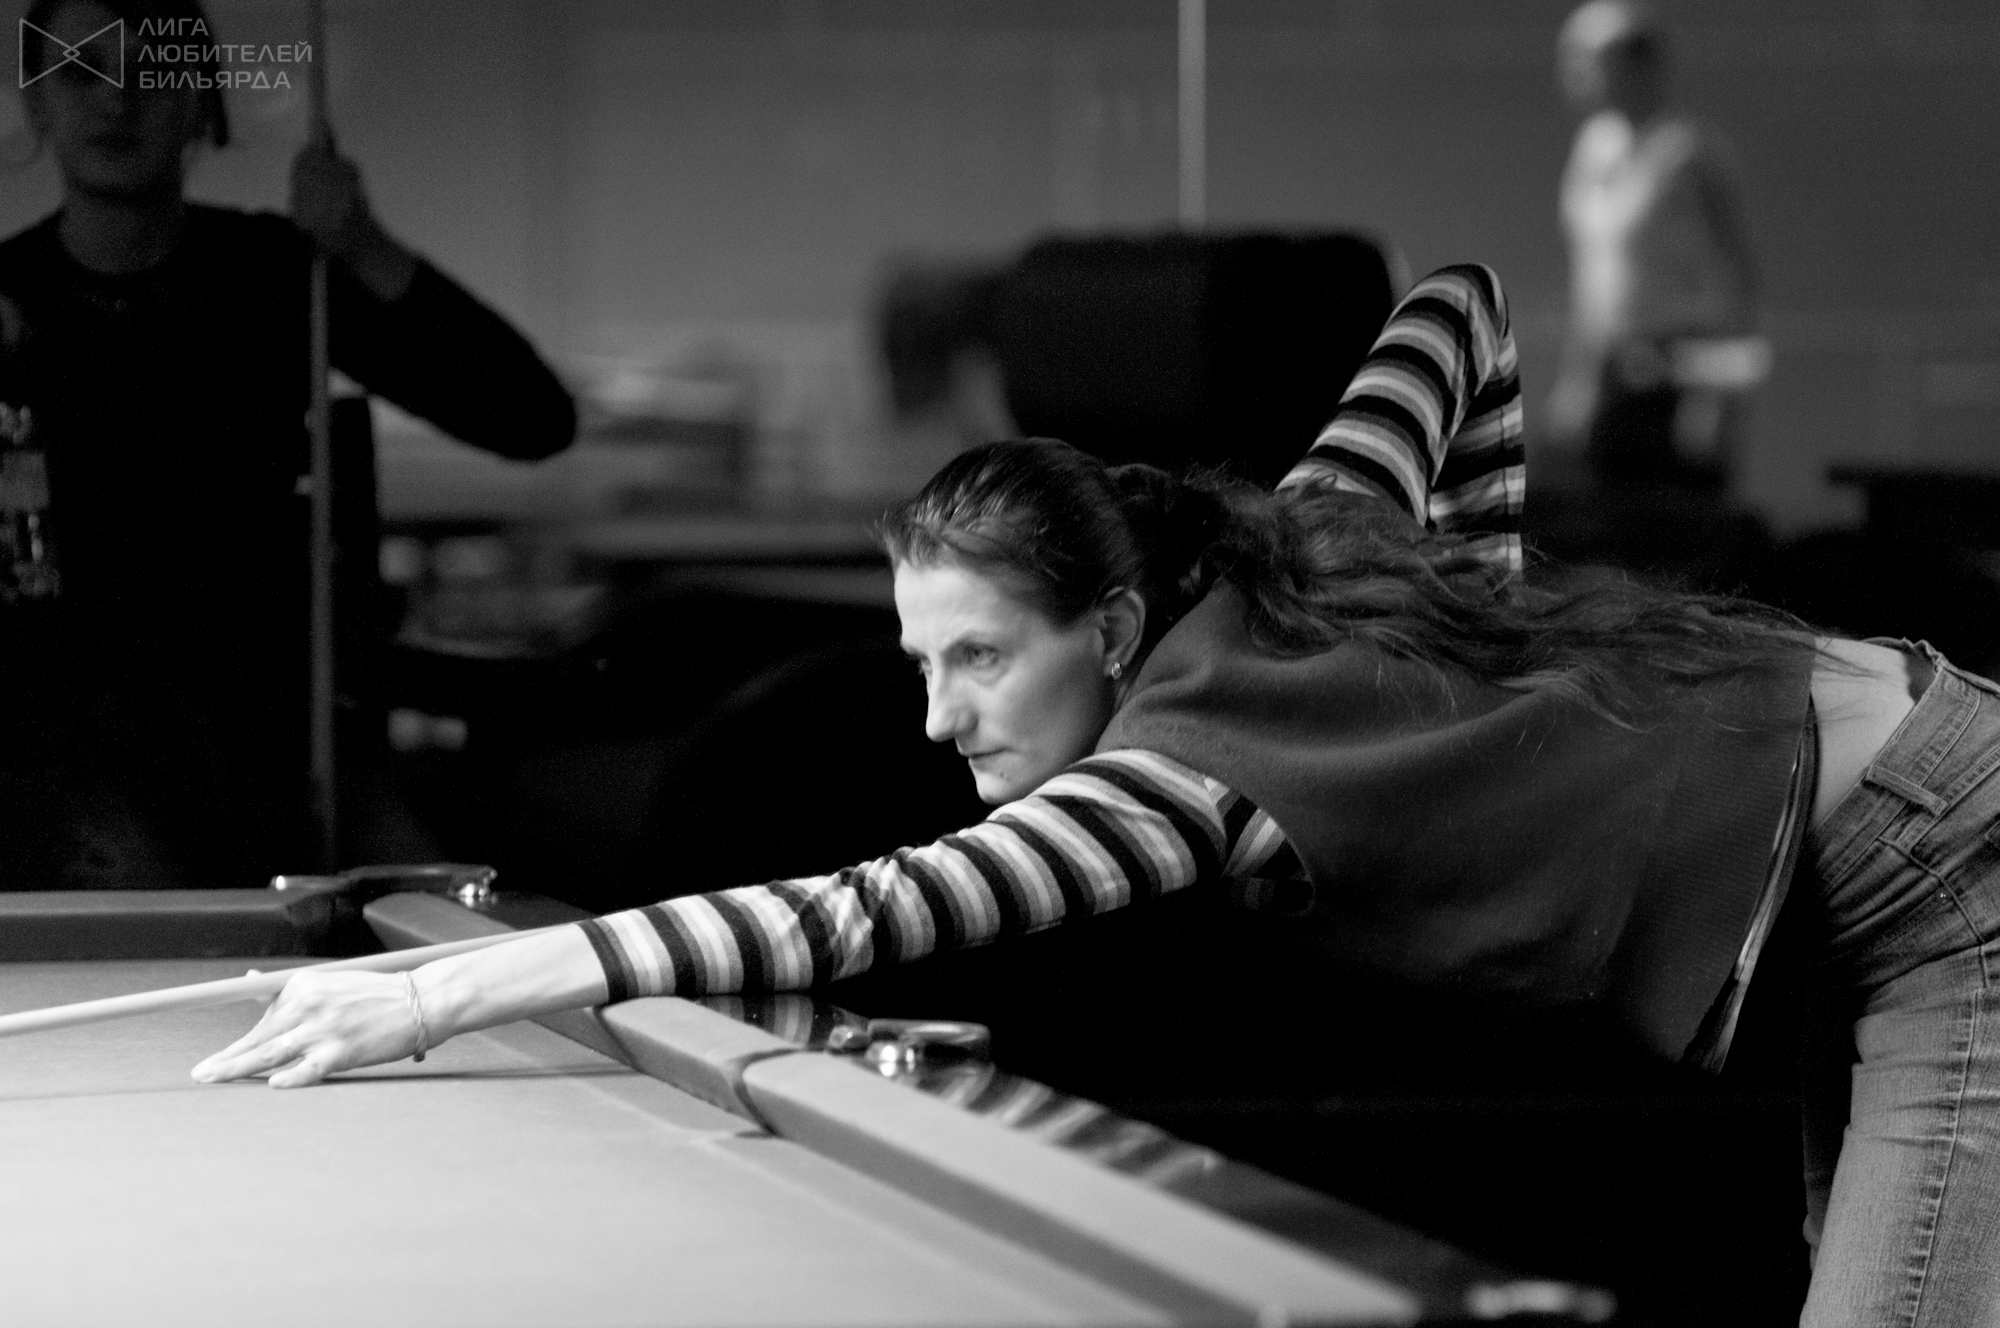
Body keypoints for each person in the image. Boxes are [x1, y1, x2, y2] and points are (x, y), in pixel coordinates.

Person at [193, 263, 1998, 1325]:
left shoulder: (1174, 783)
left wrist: (449, 984)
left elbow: (858, 911)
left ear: (1113, 628)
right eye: (921, 660)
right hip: (1882, 816)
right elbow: (1461, 309)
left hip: (1949, 864)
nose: (939, 717)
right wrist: (1471, 621)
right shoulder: (1318, 534)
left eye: (982, 658)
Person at [0, 0, 576, 888]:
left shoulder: (273, 279)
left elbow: (529, 417)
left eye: (152, 71)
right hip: (60, 747)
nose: (117, 100)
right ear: (36, 104)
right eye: (80, 71)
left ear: (202, 102)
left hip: (276, 739)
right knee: (134, 876)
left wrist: (364, 245)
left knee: (457, 918)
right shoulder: (5, 298)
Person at [1547, 0, 1765, 487]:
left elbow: (1736, 276)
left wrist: (1714, 399)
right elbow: (1593, 281)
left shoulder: (1690, 154)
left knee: (1673, 513)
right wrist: (1577, 381)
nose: (1572, 74)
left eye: (1588, 60)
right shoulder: (1594, 146)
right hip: (1611, 373)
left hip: (1679, 370)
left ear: (1638, 66)